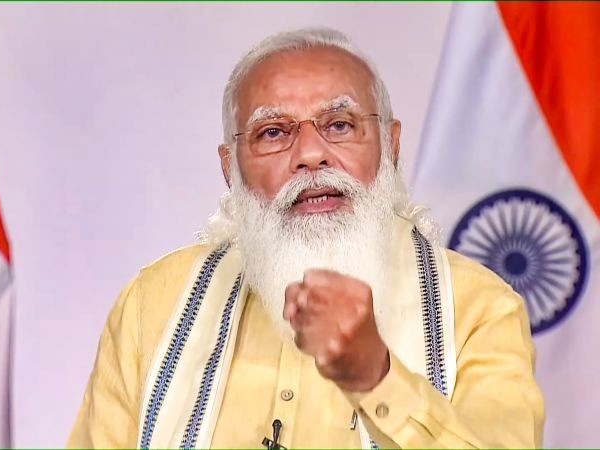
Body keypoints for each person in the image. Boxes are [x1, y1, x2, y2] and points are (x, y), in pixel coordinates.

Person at [67, 27, 544, 449]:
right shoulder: (153, 303)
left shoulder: (480, 309)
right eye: (273, 132)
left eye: (339, 125)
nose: (311, 155)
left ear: (391, 147)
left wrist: (377, 381)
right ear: (229, 167)